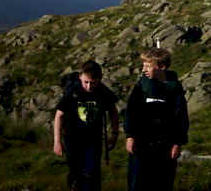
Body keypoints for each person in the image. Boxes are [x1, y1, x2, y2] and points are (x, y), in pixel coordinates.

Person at [124, 47, 189, 191]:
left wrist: (177, 143)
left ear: (162, 67)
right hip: (141, 143)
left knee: (162, 183)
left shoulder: (175, 89)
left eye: (148, 66)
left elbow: (181, 118)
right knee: (137, 182)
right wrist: (130, 136)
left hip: (165, 146)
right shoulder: (142, 85)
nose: (143, 69)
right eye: (143, 65)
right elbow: (131, 112)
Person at [53, 60, 119, 191]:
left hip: (93, 140)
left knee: (92, 173)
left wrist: (114, 134)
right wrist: (57, 141)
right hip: (72, 139)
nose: (89, 86)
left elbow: (113, 111)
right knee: (75, 173)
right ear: (80, 77)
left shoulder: (102, 91)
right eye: (86, 82)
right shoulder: (73, 92)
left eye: (93, 83)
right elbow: (59, 115)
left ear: (99, 79)